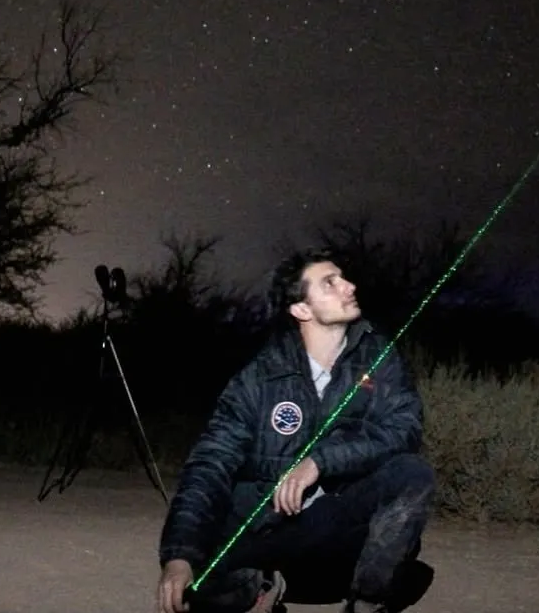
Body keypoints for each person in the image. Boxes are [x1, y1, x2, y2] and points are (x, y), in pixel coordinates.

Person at [156, 249, 436, 613]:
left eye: (343, 277)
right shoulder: (259, 377)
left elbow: (405, 428)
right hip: (272, 524)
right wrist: (178, 555)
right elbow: (210, 464)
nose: (348, 286)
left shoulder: (379, 357)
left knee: (412, 474)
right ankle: (264, 585)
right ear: (301, 310)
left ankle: (367, 601)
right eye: (329, 283)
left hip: (337, 519)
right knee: (201, 585)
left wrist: (320, 462)